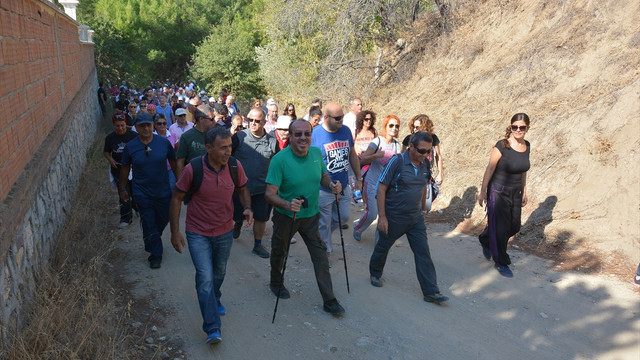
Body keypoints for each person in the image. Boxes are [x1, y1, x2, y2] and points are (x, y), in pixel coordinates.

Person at [169, 127, 252, 345]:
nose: (228, 152)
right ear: (208, 148)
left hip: (224, 231)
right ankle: (212, 326)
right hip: (197, 232)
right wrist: (174, 232)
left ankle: (214, 298)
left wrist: (248, 208)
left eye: (230, 147)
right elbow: (177, 198)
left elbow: (242, 188)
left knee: (219, 272)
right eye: (223, 148)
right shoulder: (193, 169)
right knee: (204, 277)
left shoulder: (234, 166)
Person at [265, 119, 346, 315]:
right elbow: (269, 193)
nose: (303, 138)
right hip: (286, 216)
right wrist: (287, 204)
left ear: (311, 135)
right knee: (279, 251)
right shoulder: (280, 160)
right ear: (290, 136)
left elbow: (323, 177)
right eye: (298, 134)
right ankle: (276, 282)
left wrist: (332, 185)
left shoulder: (317, 154)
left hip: (311, 216)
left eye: (306, 134)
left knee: (320, 255)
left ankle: (329, 299)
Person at [369, 130, 449, 304]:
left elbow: (423, 186)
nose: (425, 154)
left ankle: (431, 291)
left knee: (423, 252)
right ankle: (375, 273)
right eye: (421, 150)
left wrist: (422, 209)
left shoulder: (425, 164)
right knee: (383, 247)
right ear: (411, 146)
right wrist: (382, 217)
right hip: (394, 216)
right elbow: (381, 188)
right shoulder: (397, 162)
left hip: (415, 218)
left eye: (428, 151)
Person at [119, 113, 178, 269]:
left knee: (163, 218)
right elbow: (125, 169)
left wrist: (180, 181)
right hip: (141, 191)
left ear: (153, 126)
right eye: (141, 126)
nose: (145, 128)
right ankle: (155, 254)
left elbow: (173, 161)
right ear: (136, 128)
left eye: (148, 125)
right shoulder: (131, 146)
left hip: (163, 190)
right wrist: (123, 189)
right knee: (148, 221)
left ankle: (152, 237)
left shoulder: (163, 143)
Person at [478, 113, 531, 278]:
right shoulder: (502, 145)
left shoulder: (527, 146)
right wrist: (483, 191)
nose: (518, 130)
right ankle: (501, 262)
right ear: (511, 126)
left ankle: (486, 238)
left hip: (515, 191)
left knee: (515, 226)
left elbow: (523, 170)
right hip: (498, 191)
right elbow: (490, 168)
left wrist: (524, 190)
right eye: (515, 126)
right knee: (501, 229)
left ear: (527, 128)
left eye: (522, 127)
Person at [310, 103, 362, 258]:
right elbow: (311, 161)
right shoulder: (315, 135)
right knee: (324, 222)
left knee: (343, 217)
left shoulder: (345, 130)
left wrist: (359, 178)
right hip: (323, 188)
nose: (341, 121)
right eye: (338, 118)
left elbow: (352, 154)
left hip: (343, 185)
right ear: (326, 118)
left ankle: (321, 234)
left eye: (342, 117)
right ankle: (325, 252)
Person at [231, 108, 277, 258]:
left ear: (264, 122)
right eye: (251, 120)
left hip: (262, 188)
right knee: (237, 213)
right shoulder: (238, 137)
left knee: (261, 218)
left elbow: (276, 164)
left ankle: (257, 244)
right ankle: (238, 222)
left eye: (257, 121)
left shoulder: (272, 142)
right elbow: (226, 157)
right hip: (240, 188)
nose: (253, 123)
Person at [353, 115, 402, 242]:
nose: (394, 128)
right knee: (372, 214)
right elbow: (363, 159)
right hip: (372, 182)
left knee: (384, 215)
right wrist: (376, 155)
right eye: (391, 125)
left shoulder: (397, 146)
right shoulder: (377, 141)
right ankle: (358, 228)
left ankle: (379, 241)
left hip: (386, 186)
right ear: (386, 126)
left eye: (397, 126)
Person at [103, 114, 138, 227]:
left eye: (122, 125)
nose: (120, 128)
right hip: (118, 168)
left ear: (125, 124)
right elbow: (106, 151)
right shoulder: (110, 138)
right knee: (123, 192)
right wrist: (110, 159)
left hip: (133, 168)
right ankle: (126, 218)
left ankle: (137, 208)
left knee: (136, 192)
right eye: (117, 126)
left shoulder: (133, 136)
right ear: (114, 126)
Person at [175, 104, 217, 178]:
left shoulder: (216, 135)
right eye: (211, 119)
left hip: (213, 178)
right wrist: (180, 183)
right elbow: (180, 161)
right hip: (194, 179)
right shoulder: (186, 136)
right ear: (201, 119)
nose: (214, 121)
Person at [402, 114, 443, 185]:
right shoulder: (409, 139)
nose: (414, 129)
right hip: (410, 176)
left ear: (424, 127)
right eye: (413, 127)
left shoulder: (433, 138)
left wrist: (440, 173)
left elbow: (438, 156)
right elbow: (402, 157)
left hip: (426, 175)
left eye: (417, 127)